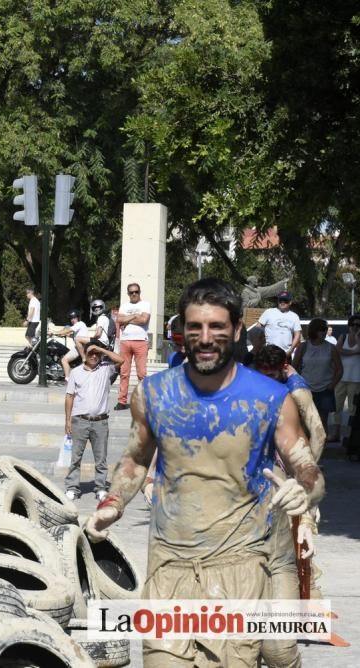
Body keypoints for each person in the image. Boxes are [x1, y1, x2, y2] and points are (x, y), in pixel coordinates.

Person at [86, 278, 324, 668]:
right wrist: (113, 502)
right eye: (195, 327)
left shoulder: (270, 398)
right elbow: (135, 458)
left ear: (236, 331)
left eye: (216, 327)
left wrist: (304, 491)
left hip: (239, 567)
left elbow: (307, 467)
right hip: (168, 566)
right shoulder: (153, 393)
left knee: (276, 652)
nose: (205, 337)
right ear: (182, 333)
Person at [253, 344, 324, 668]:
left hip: (294, 481)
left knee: (300, 552)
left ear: (284, 368)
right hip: (269, 480)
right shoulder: (256, 384)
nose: (267, 380)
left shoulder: (297, 392)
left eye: (272, 375)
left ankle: (303, 618)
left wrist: (304, 474)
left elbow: (319, 432)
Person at [63, 343, 124, 502]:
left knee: (101, 458)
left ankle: (100, 487)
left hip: (100, 422)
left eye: (97, 354)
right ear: (85, 354)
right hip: (80, 420)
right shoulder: (76, 372)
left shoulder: (105, 369)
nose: (94, 356)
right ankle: (72, 488)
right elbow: (69, 397)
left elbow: (121, 360)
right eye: (91, 353)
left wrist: (102, 350)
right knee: (76, 457)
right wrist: (68, 420)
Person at [292, 317, 342, 441]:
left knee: (322, 421)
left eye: (326, 329)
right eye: (322, 329)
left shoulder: (331, 348)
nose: (325, 332)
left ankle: (320, 448)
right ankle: (304, 447)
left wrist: (333, 384)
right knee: (304, 421)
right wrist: (298, 384)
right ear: (314, 330)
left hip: (325, 389)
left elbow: (339, 369)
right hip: (306, 389)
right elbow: (294, 367)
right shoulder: (303, 347)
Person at [114, 282, 150, 409]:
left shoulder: (145, 304)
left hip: (141, 341)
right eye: (131, 292)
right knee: (124, 373)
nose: (134, 294)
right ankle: (122, 401)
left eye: (136, 292)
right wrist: (135, 315)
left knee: (141, 374)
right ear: (128, 294)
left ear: (139, 292)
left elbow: (144, 320)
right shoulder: (124, 305)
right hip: (125, 342)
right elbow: (119, 320)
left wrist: (128, 319)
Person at [331, 314, 360, 442]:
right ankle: (335, 433)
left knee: (353, 409)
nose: (355, 327)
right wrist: (354, 352)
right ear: (349, 325)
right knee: (337, 407)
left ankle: (349, 436)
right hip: (341, 377)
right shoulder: (343, 336)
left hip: (356, 378)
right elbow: (337, 350)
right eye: (353, 324)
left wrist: (358, 337)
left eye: (358, 325)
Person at [257, 290, 302, 355]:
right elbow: (257, 328)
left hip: (285, 353)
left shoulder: (294, 316)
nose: (282, 302)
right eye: (280, 300)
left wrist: (291, 350)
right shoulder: (269, 312)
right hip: (268, 352)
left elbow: (297, 334)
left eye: (285, 301)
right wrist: (260, 344)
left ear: (290, 302)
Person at [52, 310, 87, 378]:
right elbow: (67, 332)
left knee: (64, 360)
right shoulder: (78, 326)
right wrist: (59, 333)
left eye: (74, 318)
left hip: (80, 348)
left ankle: (67, 378)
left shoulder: (79, 324)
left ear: (78, 318)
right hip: (79, 347)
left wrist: (55, 332)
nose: (73, 319)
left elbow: (68, 330)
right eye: (71, 318)